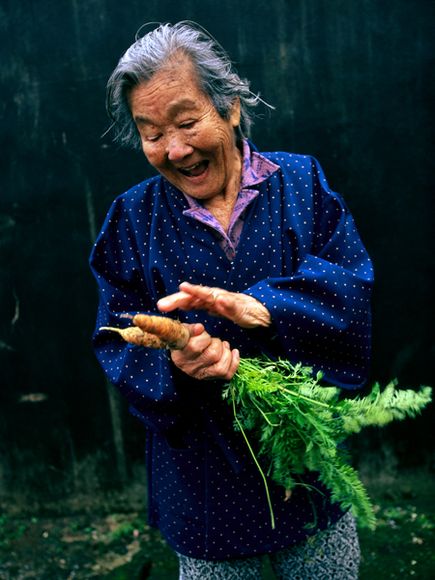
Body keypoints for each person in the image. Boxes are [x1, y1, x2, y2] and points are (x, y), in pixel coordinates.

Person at [90, 21, 373, 579]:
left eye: (187, 122)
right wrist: (177, 357)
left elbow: (352, 287)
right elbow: (115, 334)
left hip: (308, 468)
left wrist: (263, 309)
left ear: (231, 109)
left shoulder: (301, 183)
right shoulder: (132, 218)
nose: (174, 149)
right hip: (205, 488)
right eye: (151, 133)